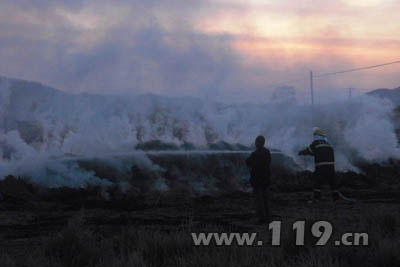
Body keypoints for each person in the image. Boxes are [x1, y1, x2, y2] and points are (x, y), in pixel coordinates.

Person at [298, 127, 339, 202]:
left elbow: (309, 151)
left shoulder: (315, 143)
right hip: (331, 166)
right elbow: (326, 152)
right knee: (332, 182)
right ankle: (336, 198)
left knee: (318, 182)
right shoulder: (328, 144)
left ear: (316, 136)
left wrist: (301, 153)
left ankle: (317, 198)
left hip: (321, 166)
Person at [246, 135, 271, 223]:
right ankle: (267, 216)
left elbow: (248, 162)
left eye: (256, 142)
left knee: (259, 200)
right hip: (266, 179)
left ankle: (262, 218)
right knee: (265, 199)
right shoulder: (267, 152)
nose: (255, 143)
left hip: (257, 180)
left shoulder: (255, 154)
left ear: (257, 143)